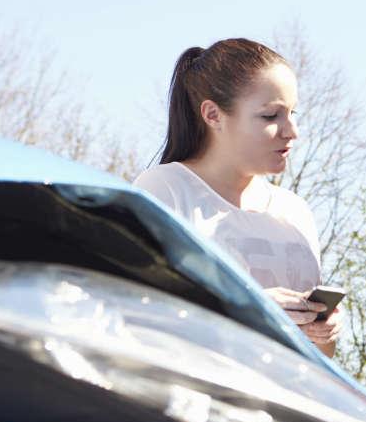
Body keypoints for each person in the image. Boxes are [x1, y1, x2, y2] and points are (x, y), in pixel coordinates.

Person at [134, 38, 341, 356]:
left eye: (292, 113)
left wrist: (324, 332)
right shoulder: (164, 190)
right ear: (213, 114)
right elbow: (141, 319)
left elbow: (321, 356)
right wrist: (251, 310)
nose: (292, 131)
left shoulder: (295, 211)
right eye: (271, 116)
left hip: (288, 400)